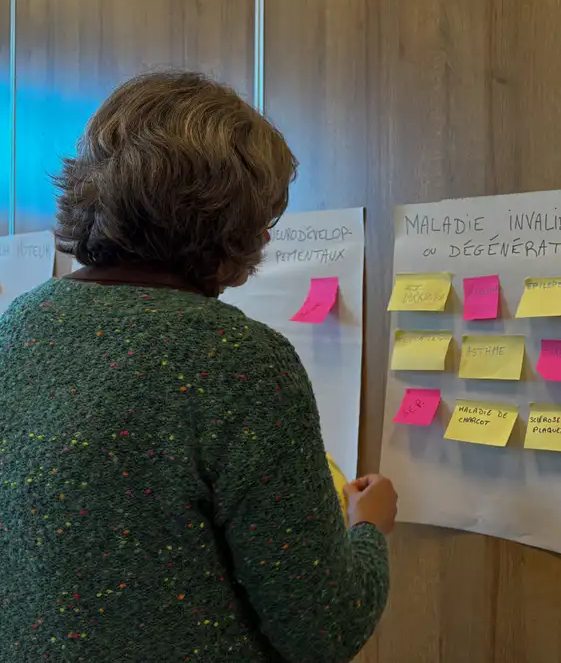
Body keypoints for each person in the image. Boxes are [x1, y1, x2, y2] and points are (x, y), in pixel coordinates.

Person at [0, 71, 397, 662]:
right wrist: (369, 529)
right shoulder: (239, 360)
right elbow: (326, 627)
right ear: (233, 221)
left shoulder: (19, 324)